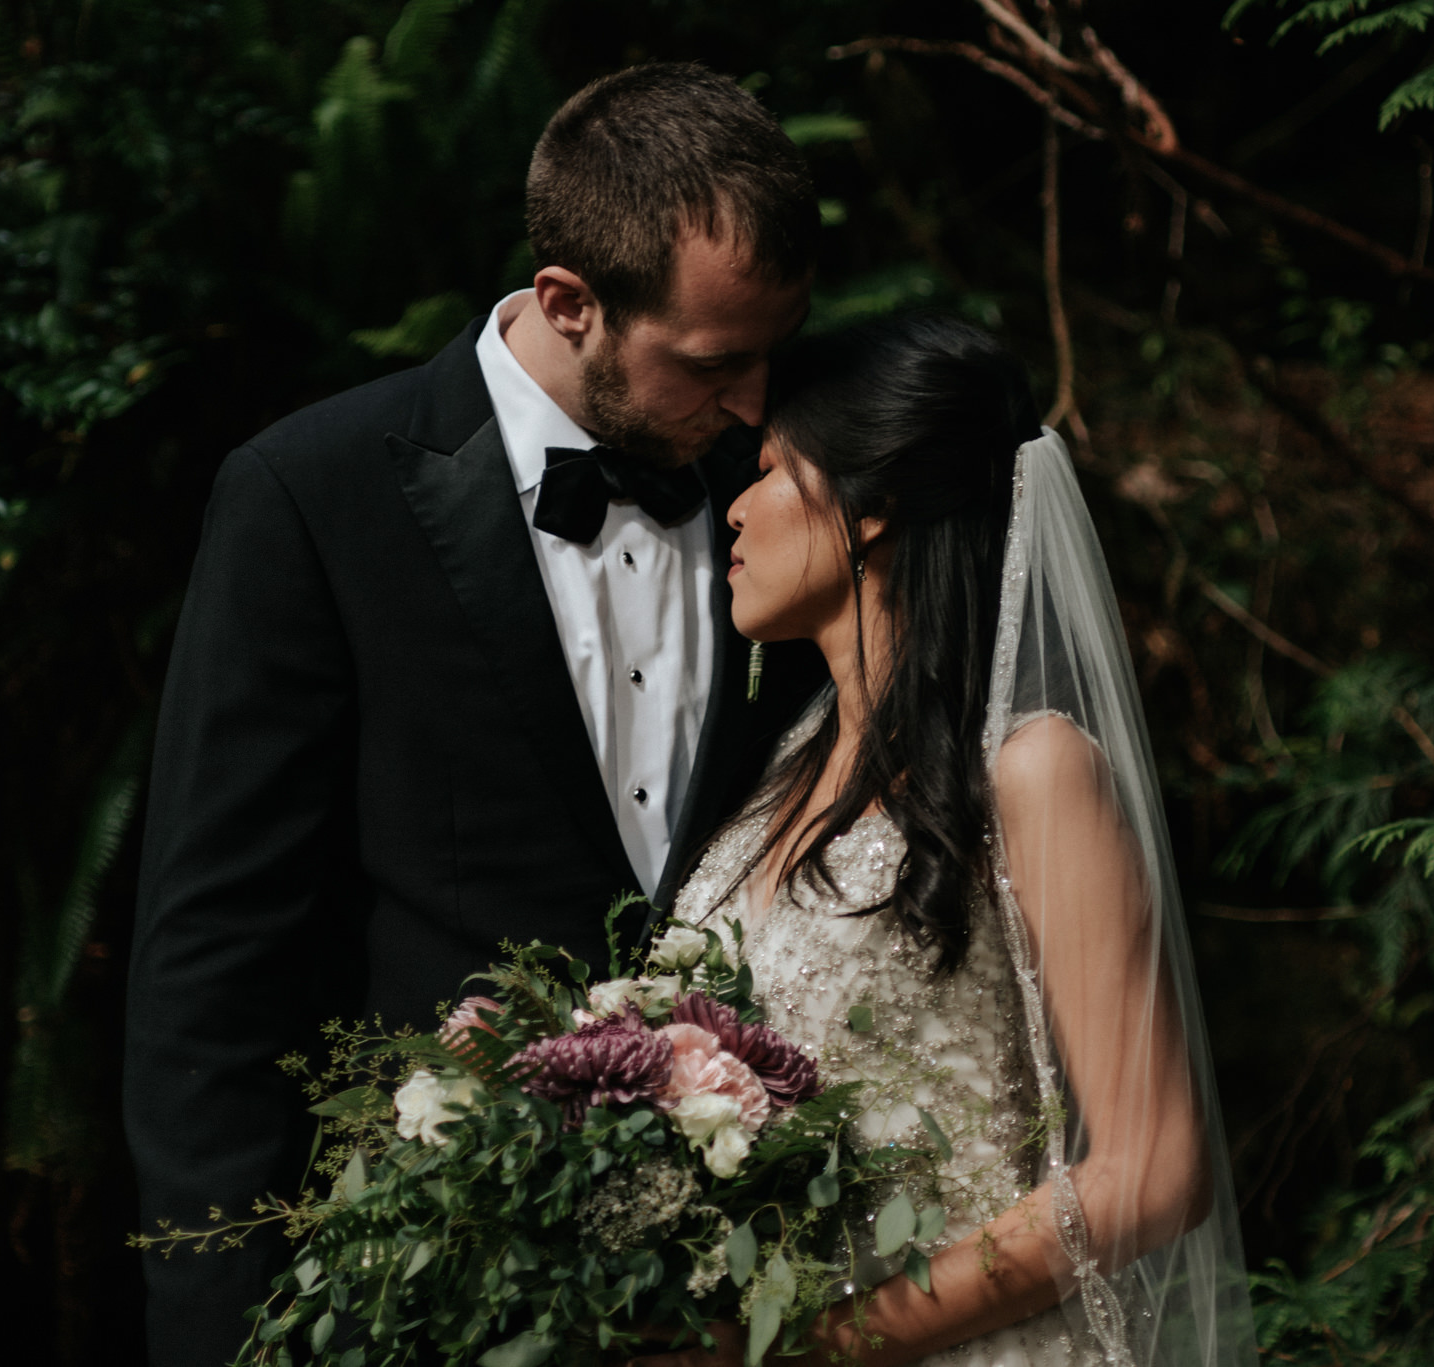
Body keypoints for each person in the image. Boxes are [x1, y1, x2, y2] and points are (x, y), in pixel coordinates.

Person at [124, 65, 827, 1367]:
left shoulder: (789, 496)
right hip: (424, 1286)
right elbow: (212, 961)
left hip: (755, 1291)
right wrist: (220, 1324)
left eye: (771, 354)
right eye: (714, 363)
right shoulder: (311, 496)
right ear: (569, 300)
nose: (751, 401)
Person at [657, 313, 1257, 1367]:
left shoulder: (1031, 769)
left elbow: (1152, 1168)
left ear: (873, 503)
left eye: (764, 473)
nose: (734, 513)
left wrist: (816, 1343)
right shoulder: (778, 777)